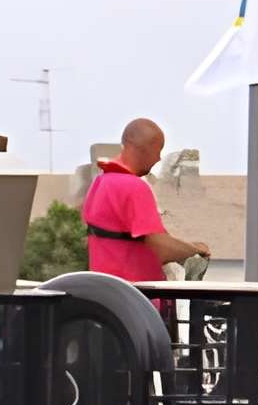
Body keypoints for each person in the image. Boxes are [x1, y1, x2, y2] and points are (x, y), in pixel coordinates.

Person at [83, 118, 210, 285]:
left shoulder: (101, 183)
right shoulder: (133, 187)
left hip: (107, 294)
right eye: (157, 150)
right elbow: (160, 248)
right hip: (135, 298)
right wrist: (196, 249)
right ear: (142, 147)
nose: (158, 158)